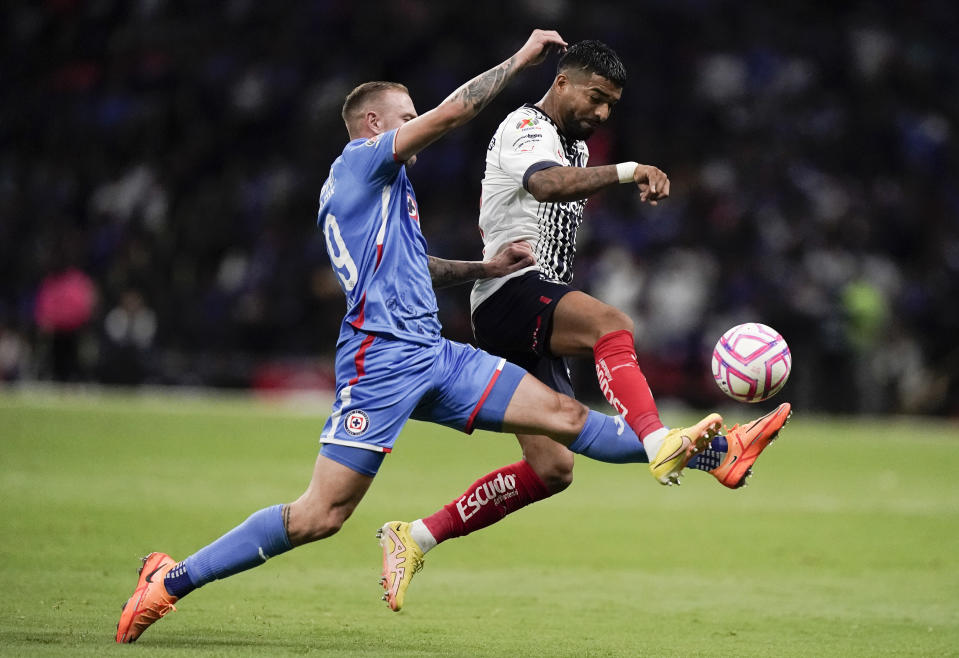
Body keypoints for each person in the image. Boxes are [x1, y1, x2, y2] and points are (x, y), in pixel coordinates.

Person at [115, 29, 703, 643]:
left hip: (436, 354)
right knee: (321, 515)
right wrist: (522, 60)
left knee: (564, 418)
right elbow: (457, 112)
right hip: (382, 359)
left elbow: (415, 269)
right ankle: (169, 580)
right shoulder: (362, 161)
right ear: (373, 123)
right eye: (406, 116)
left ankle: (706, 450)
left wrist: (483, 269)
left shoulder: (385, 191)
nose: (417, 123)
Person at [375, 40, 792, 612]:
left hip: (522, 304)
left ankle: (414, 537)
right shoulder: (527, 125)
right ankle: (665, 443)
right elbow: (543, 185)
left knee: (553, 469)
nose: (602, 113)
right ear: (565, 82)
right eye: (596, 97)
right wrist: (629, 170)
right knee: (611, 324)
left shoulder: (572, 141)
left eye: (611, 106)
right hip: (509, 293)